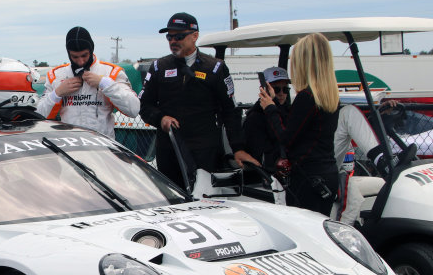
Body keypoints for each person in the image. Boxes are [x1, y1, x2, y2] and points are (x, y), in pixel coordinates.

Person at [139, 12, 258, 187]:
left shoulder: (215, 68)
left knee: (204, 200)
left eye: (179, 36)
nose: (173, 41)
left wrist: (238, 148)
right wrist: (160, 119)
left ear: (194, 36)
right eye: (169, 37)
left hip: (204, 150)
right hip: (169, 149)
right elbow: (144, 105)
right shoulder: (159, 67)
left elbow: (230, 112)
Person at [259, 32, 340, 215]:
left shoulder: (306, 97)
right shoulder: (330, 97)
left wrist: (270, 109)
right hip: (327, 173)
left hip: (307, 176)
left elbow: (286, 138)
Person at [36, 26, 139, 139]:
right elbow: (40, 115)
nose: (80, 61)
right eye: (75, 57)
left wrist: (105, 83)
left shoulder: (111, 72)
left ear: (91, 50)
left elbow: (133, 109)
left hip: (103, 147)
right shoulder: (56, 75)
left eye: (84, 55)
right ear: (68, 53)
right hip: (70, 146)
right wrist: (57, 93)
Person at [244, 67, 292, 176]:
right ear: (264, 89)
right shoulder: (255, 117)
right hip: (266, 174)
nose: (281, 94)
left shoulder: (291, 112)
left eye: (285, 90)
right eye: (276, 89)